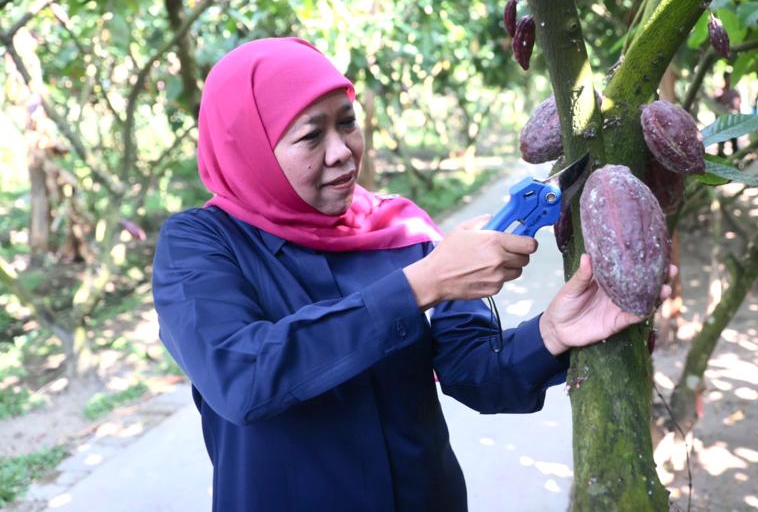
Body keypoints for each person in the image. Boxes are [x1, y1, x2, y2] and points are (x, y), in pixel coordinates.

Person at [151, 37, 669, 512]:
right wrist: (421, 285)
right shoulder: (200, 245)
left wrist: (553, 334)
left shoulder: (399, 228)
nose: (342, 152)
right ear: (250, 148)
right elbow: (241, 377)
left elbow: (477, 375)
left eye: (347, 122)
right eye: (311, 136)